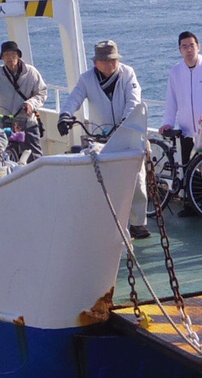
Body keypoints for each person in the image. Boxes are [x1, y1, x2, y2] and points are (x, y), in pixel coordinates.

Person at [59, 39, 150, 239]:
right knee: (103, 180)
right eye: (105, 61)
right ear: (96, 63)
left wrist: (126, 121)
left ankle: (138, 223)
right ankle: (108, 221)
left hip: (129, 132)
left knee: (137, 180)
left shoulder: (128, 74)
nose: (110, 64)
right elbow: (75, 98)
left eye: (113, 60)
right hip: (101, 136)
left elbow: (133, 99)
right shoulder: (87, 79)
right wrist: (65, 115)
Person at [160, 30, 202, 168]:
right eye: (184, 46)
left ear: (198, 47)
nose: (189, 49)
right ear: (180, 50)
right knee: (187, 171)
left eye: (192, 45)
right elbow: (172, 99)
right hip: (185, 131)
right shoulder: (175, 72)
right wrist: (168, 122)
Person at [0, 40, 46, 162]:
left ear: (18, 55)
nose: (10, 58)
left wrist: (30, 103)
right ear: (2, 58)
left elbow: (42, 93)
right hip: (5, 120)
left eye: (13, 54)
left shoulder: (31, 72)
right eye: (6, 55)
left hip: (26, 120)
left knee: (34, 157)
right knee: (2, 156)